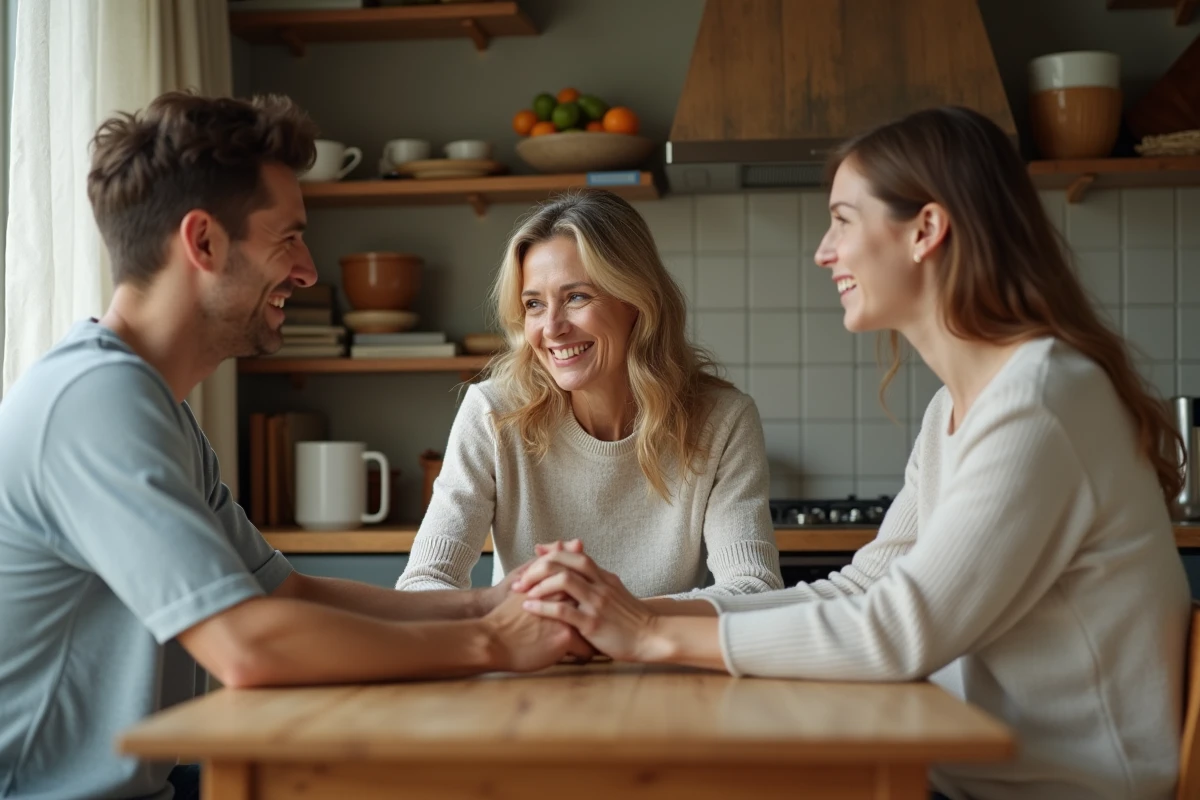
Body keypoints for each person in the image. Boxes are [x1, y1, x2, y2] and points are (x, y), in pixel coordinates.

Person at [513, 106, 1192, 800]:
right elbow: (864, 588)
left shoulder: (1043, 398)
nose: (823, 251)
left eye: (843, 218)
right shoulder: (960, 406)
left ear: (926, 229)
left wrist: (649, 636)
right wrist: (636, 613)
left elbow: (899, 632)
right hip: (971, 780)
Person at [0, 91, 588, 800]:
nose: (309, 272)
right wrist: (495, 644)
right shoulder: (94, 403)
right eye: (288, 239)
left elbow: (287, 592)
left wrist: (496, 604)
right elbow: (249, 646)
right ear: (204, 242)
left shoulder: (155, 406)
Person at [395, 190, 783, 599]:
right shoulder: (494, 413)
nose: (551, 328)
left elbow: (754, 587)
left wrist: (618, 617)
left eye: (576, 297)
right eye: (534, 304)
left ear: (636, 301)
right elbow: (424, 583)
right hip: (532, 658)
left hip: (661, 659)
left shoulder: (722, 420)